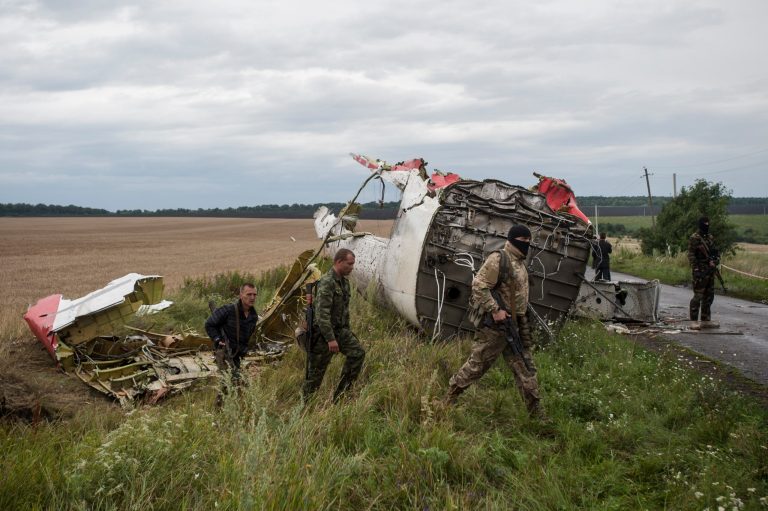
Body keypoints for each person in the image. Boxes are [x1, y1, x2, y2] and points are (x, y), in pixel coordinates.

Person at [445, 225, 545, 419]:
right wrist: (495, 310)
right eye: (523, 241)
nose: (526, 245)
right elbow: (479, 286)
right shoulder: (499, 259)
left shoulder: (520, 262)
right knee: (476, 366)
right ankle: (448, 399)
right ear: (513, 239)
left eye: (528, 241)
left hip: (515, 327)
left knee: (526, 369)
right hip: (497, 328)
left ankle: (536, 415)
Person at [302, 248, 366, 402]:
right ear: (338, 262)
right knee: (315, 374)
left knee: (357, 353)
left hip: (340, 331)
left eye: (353, 264)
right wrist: (330, 339)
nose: (352, 267)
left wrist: (346, 332)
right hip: (323, 335)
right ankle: (306, 408)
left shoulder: (344, 282)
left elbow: (344, 311)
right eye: (349, 264)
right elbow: (321, 315)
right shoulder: (327, 282)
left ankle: (340, 397)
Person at [205, 283, 259, 403]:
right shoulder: (228, 310)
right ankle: (218, 411)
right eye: (249, 294)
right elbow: (209, 324)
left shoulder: (253, 316)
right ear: (241, 295)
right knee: (229, 381)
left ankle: (230, 408)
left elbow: (247, 336)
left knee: (231, 383)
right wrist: (217, 339)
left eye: (254, 294)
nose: (252, 297)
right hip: (224, 352)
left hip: (238, 355)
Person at [688, 216, 720, 329]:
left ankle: (706, 319)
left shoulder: (710, 237)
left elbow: (715, 252)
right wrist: (696, 268)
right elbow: (691, 255)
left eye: (708, 223)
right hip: (700, 271)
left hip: (710, 270)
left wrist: (714, 261)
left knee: (709, 296)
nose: (707, 225)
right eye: (705, 223)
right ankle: (693, 320)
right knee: (698, 295)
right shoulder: (695, 238)